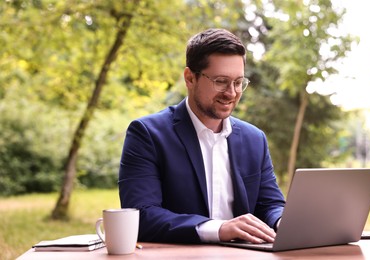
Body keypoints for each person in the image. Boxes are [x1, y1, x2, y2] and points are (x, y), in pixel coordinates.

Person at [118, 28, 285, 244]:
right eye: (220, 81)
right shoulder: (147, 134)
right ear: (190, 78)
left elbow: (270, 204)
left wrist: (283, 222)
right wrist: (219, 229)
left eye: (238, 82)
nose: (232, 93)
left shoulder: (255, 139)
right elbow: (141, 214)